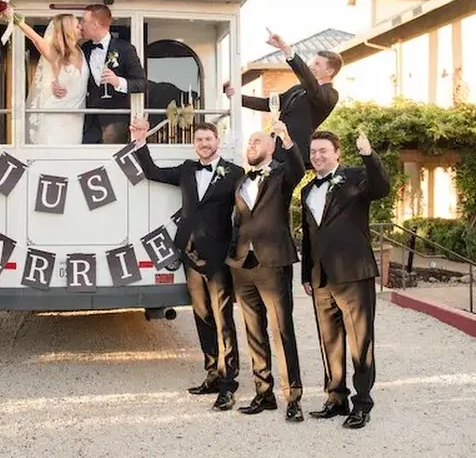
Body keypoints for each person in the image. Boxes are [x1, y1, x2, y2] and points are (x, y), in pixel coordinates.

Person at [130, 117, 244, 411]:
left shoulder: (235, 173)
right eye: (199, 140)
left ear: (217, 141)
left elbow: (245, 213)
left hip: (219, 256)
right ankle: (211, 374)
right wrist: (140, 140)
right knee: (202, 315)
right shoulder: (186, 170)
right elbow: (152, 172)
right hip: (190, 254)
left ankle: (228, 384)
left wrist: (239, 250)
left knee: (223, 321)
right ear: (195, 145)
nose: (204, 144)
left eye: (208, 139)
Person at [300, 130, 390, 429]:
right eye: (313, 151)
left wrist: (368, 154)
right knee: (330, 342)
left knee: (359, 342)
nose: (317, 156)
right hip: (320, 277)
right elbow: (310, 236)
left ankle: (362, 404)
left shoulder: (354, 177)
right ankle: (336, 397)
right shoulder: (307, 189)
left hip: (354, 274)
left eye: (323, 150)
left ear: (337, 153)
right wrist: (306, 274)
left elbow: (381, 188)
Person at [227, 121, 305, 422]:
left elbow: (298, 168)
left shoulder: (282, 174)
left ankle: (293, 397)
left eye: (257, 141)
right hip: (242, 265)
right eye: (249, 142)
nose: (251, 146)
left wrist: (287, 138)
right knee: (254, 331)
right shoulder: (241, 181)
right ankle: (263, 393)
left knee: (281, 330)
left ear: (271, 147)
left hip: (273, 263)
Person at [224, 29, 341, 167]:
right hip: (276, 150)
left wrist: (285, 49)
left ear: (329, 71)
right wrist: (237, 97)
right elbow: (270, 104)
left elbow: (312, 86)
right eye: (312, 62)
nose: (311, 66)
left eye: (317, 64)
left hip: (295, 155)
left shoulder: (330, 95)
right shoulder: (298, 89)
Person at [80, 4, 147, 144]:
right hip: (89, 121)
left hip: (115, 121)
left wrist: (118, 82)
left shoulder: (125, 49)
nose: (81, 25)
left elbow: (142, 84)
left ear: (95, 24)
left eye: (83, 21)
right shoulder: (84, 49)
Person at [19, 14, 89, 145]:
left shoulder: (81, 51)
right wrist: (14, 18)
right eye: (77, 25)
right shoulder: (56, 53)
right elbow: (36, 39)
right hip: (55, 117)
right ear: (68, 30)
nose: (81, 27)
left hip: (77, 119)